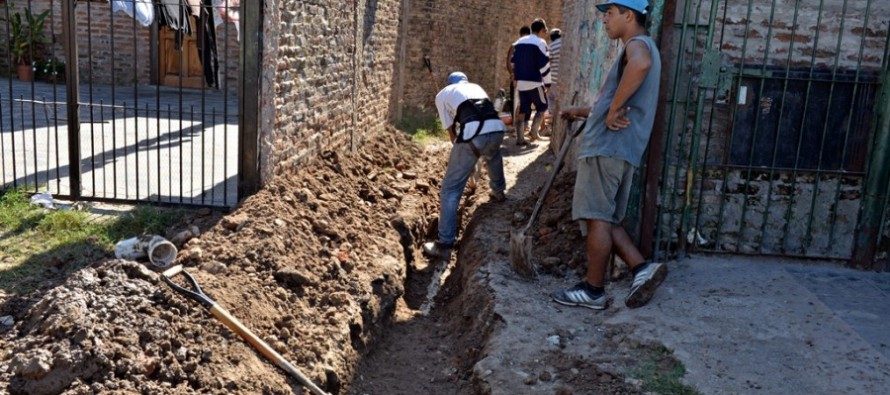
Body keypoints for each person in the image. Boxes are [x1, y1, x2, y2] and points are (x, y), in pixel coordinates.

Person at [551, 0, 667, 310]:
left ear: (629, 15)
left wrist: (612, 109)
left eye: (610, 13)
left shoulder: (638, 46)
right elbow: (621, 99)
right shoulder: (643, 47)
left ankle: (593, 290)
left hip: (607, 146)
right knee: (607, 216)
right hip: (621, 147)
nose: (604, 20)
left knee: (597, 217)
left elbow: (639, 67)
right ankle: (642, 268)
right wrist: (585, 111)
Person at [423, 72, 508, 258]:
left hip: (473, 134)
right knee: (493, 155)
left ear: (448, 83)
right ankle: (498, 191)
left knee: (450, 190)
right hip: (497, 128)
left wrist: (463, 154)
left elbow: (452, 134)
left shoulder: (442, 94)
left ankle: (444, 244)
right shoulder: (476, 88)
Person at [511, 19, 551, 146]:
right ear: (540, 31)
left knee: (522, 109)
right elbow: (544, 65)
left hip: (521, 83)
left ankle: (520, 138)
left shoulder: (519, 42)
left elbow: (513, 62)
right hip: (534, 81)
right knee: (543, 105)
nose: (546, 33)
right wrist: (548, 83)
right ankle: (534, 132)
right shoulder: (541, 43)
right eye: (545, 30)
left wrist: (515, 78)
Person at [547, 28, 563, 119]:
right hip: (564, 80)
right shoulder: (565, 43)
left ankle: (552, 122)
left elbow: (547, 62)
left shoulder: (552, 46)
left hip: (553, 79)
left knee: (551, 100)